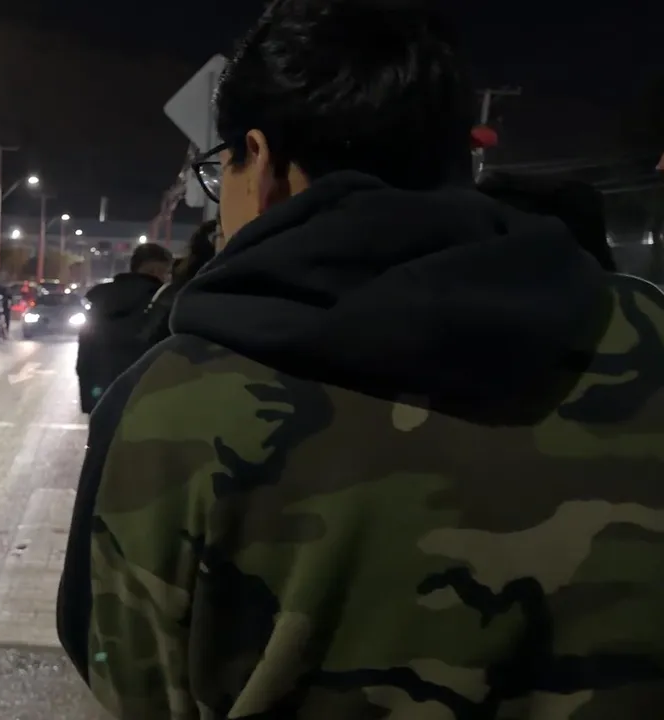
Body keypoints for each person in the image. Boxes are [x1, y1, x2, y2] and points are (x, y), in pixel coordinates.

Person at [56, 1, 664, 717]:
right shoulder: (645, 335)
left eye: (225, 172)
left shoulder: (172, 407)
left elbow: (129, 676)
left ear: (264, 162)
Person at [74, 242, 172, 413]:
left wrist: (91, 403)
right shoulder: (164, 302)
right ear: (158, 271)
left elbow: (85, 356)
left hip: (103, 401)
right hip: (147, 403)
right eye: (165, 272)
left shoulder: (101, 300)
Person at [140, 220, 218, 348]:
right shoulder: (174, 294)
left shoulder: (172, 292)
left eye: (161, 271)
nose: (157, 275)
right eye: (151, 271)